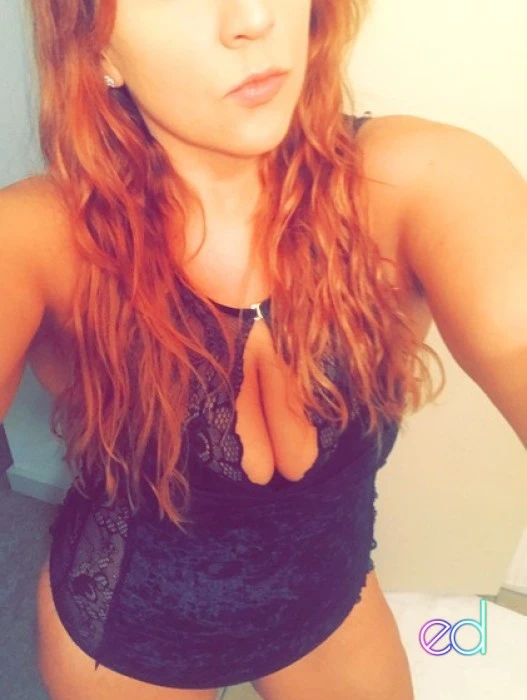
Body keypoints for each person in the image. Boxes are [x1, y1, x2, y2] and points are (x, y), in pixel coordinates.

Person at [2, 1, 455, 698]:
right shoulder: (37, 237)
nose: (252, 18)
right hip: (128, 640)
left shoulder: (410, 179)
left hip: (329, 609)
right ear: (98, 50)